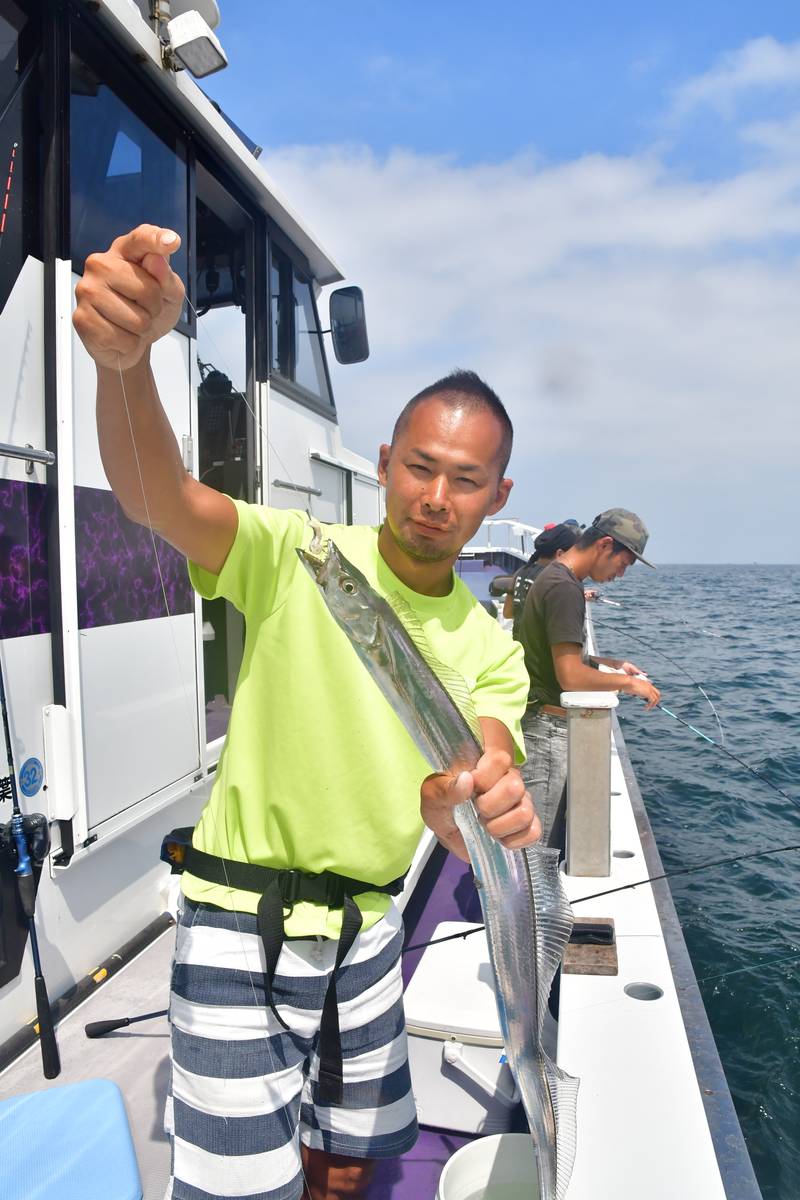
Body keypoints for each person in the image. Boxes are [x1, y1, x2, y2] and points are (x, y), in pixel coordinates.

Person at [72, 225, 541, 1200]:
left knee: (341, 1165)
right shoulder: (300, 554)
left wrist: (473, 803)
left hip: (368, 936)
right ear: (383, 463)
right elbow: (159, 496)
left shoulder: (491, 645)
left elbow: (480, 765)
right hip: (241, 925)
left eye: (464, 480)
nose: (434, 498)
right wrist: (128, 368)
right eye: (419, 468)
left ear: (497, 495)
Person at [517, 510, 662, 850]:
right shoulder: (565, 589)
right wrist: (629, 685)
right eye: (623, 564)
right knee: (535, 849)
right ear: (604, 545)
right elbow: (569, 676)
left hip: (540, 722)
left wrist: (612, 665)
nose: (620, 575)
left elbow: (556, 652)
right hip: (546, 731)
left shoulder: (554, 576)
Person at [502, 522, 579, 636]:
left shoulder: (520, 572)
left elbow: (507, 613)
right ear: (560, 554)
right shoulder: (554, 580)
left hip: (518, 647)